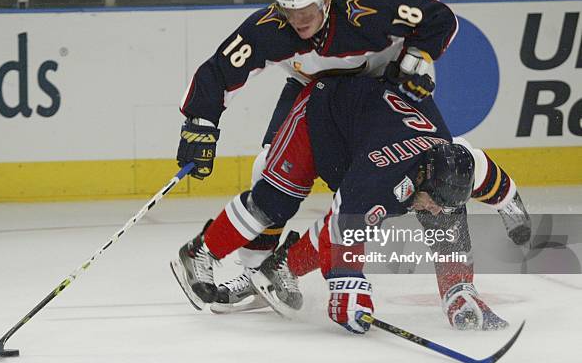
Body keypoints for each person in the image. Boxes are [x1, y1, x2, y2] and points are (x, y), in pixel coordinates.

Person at [174, 0, 530, 312]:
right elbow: (219, 71)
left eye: (308, 9)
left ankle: (458, 287)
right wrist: (199, 125)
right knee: (270, 174)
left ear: (327, 0)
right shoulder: (268, 28)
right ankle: (255, 274)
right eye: (290, 10)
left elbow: (439, 17)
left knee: (440, 172)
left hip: (388, 91)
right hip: (314, 97)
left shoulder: (373, 5)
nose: (299, 20)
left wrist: (419, 54)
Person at [171, 75, 509, 332]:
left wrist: (460, 288)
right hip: (319, 116)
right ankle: (202, 251)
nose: (437, 210)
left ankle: (279, 267)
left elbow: (488, 190)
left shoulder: (452, 166)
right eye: (435, 202)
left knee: (361, 212)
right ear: (423, 177)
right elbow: (344, 225)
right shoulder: (383, 174)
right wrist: (346, 286)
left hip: (357, 136)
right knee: (272, 200)